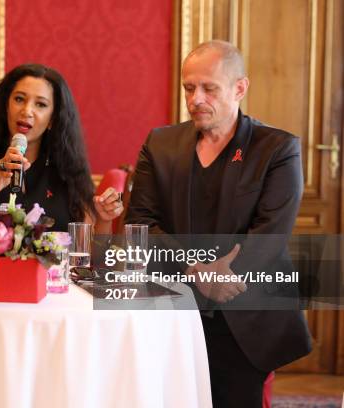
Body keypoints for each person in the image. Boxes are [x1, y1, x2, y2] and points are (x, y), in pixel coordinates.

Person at [125, 40, 311, 407]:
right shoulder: (160, 144)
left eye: (209, 88)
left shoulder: (276, 148)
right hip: (173, 307)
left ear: (239, 88)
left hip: (244, 313)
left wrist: (222, 278)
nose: (196, 98)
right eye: (189, 88)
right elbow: (141, 224)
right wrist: (196, 270)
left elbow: (269, 237)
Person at [0, 63, 122, 233]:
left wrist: (104, 220)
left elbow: (92, 253)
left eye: (40, 104)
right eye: (19, 99)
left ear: (52, 119)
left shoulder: (68, 168)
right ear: (6, 106)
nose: (27, 111)